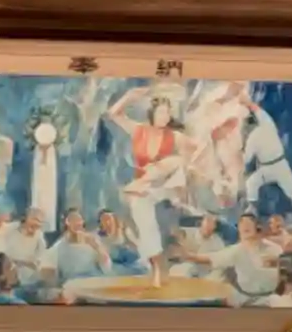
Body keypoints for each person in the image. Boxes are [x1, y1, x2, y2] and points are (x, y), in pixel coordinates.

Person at [110, 88, 190, 282]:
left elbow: (195, 152)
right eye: (161, 112)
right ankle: (156, 267)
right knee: (145, 223)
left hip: (166, 185)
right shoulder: (139, 130)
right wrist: (129, 96)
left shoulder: (175, 136)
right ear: (152, 114)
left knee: (175, 162)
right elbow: (113, 114)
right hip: (145, 191)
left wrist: (183, 171)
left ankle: (146, 184)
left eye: (168, 113)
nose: (165, 116)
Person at [184, 211, 280, 303]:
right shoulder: (236, 251)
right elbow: (209, 259)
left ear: (257, 227)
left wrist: (277, 262)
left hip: (274, 297)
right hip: (247, 299)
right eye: (242, 223)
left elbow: (286, 267)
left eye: (249, 223)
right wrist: (187, 255)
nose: (245, 225)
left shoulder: (273, 248)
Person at [243, 99, 292, 213]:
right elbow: (258, 110)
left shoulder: (251, 139)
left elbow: (246, 159)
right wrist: (248, 103)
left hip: (268, 169)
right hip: (280, 164)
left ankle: (252, 208)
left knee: (251, 183)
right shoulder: (268, 123)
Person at [50, 208, 109, 284]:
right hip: (72, 284)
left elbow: (106, 267)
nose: (76, 223)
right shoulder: (58, 246)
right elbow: (51, 273)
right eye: (72, 220)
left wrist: (97, 247)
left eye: (79, 219)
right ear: (66, 223)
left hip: (94, 281)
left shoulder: (93, 240)